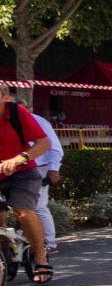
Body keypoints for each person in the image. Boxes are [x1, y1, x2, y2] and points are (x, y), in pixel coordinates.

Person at [1, 92, 53, 285]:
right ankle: (5, 250)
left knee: (22, 211)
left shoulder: (17, 113)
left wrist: (19, 158)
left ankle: (40, 256)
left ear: (4, 97)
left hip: (21, 172)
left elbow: (44, 143)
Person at [26, 107, 62, 256]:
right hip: (18, 167)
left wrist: (54, 168)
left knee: (39, 205)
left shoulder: (37, 120)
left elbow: (55, 147)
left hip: (39, 168)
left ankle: (49, 242)